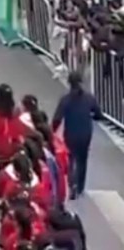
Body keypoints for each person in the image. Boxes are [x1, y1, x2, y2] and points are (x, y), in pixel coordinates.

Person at [52, 71, 102, 199]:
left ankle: (72, 184)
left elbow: (57, 119)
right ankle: (80, 187)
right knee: (82, 160)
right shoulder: (89, 98)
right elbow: (98, 114)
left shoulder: (65, 100)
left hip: (71, 134)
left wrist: (52, 132)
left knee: (71, 159)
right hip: (85, 134)